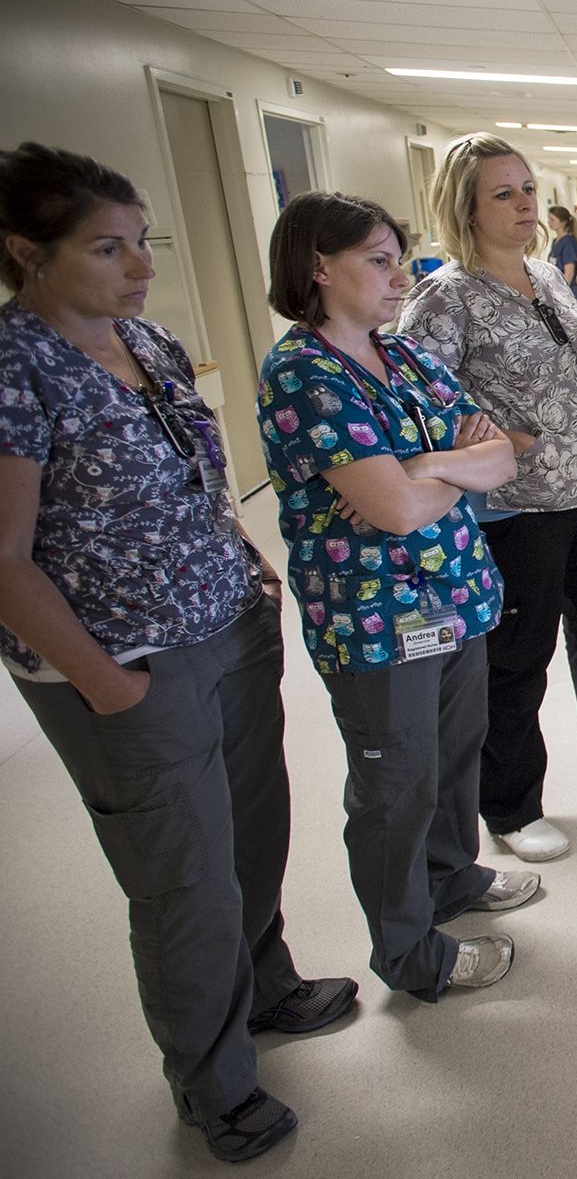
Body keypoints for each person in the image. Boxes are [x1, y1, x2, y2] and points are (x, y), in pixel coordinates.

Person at [0, 142, 356, 1163]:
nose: (140, 263)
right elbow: (5, 559)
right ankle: (214, 1082)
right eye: (107, 248)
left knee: (251, 828)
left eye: (141, 240)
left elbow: (200, 479)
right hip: (124, 665)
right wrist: (105, 683)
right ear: (28, 253)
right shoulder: (17, 369)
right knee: (182, 874)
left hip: (226, 624)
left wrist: (251, 564)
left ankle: (270, 986)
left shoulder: (146, 343)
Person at [260, 189, 536, 1002]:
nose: (399, 275)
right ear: (318, 267)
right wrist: (438, 470)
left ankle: (452, 878)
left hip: (453, 596)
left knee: (454, 755)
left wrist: (421, 466)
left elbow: (504, 455)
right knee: (395, 785)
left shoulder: (402, 355)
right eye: (378, 260)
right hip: (375, 621)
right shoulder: (305, 375)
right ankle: (411, 954)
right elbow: (395, 511)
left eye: (399, 256)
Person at [401, 133, 577, 865]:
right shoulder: (448, 296)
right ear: (463, 206)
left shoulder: (543, 274)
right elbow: (409, 401)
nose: (525, 203)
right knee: (517, 657)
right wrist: (501, 441)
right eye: (504, 193)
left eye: (527, 188)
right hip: (516, 508)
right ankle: (509, 804)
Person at [547, 204, 577, 301]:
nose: (548, 222)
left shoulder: (568, 242)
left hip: (566, 292)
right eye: (548, 219)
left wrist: (562, 295)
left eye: (552, 220)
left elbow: (569, 273)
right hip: (556, 289)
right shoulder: (555, 241)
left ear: (563, 222)